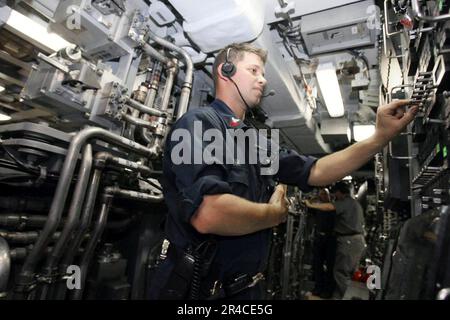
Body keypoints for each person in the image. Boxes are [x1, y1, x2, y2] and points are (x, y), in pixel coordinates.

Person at [148, 42, 418, 300]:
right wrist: (273, 215)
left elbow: (317, 171)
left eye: (263, 73)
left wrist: (379, 137)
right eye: (253, 71)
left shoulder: (251, 141)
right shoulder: (199, 123)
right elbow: (209, 214)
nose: (262, 79)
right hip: (200, 292)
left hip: (247, 289)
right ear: (225, 71)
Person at [305, 181, 366, 299]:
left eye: (335, 193)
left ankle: (349, 297)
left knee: (341, 273)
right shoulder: (354, 203)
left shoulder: (345, 203)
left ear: (339, 192)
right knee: (345, 272)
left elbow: (330, 206)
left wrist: (310, 204)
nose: (335, 196)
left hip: (349, 241)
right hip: (355, 240)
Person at [308, 188, 336, 299]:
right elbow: (309, 203)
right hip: (319, 238)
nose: (323, 196)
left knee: (330, 267)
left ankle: (328, 291)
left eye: (325, 194)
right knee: (317, 265)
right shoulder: (318, 208)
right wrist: (315, 198)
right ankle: (318, 288)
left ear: (329, 195)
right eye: (321, 194)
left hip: (330, 239)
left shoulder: (332, 207)